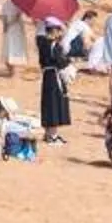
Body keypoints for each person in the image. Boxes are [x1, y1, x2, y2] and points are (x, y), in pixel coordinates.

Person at [35, 16, 75, 145]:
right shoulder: (53, 45)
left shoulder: (42, 43)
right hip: (54, 75)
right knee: (54, 103)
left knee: (48, 102)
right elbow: (60, 61)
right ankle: (52, 135)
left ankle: (49, 134)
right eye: (59, 30)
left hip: (47, 75)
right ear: (54, 30)